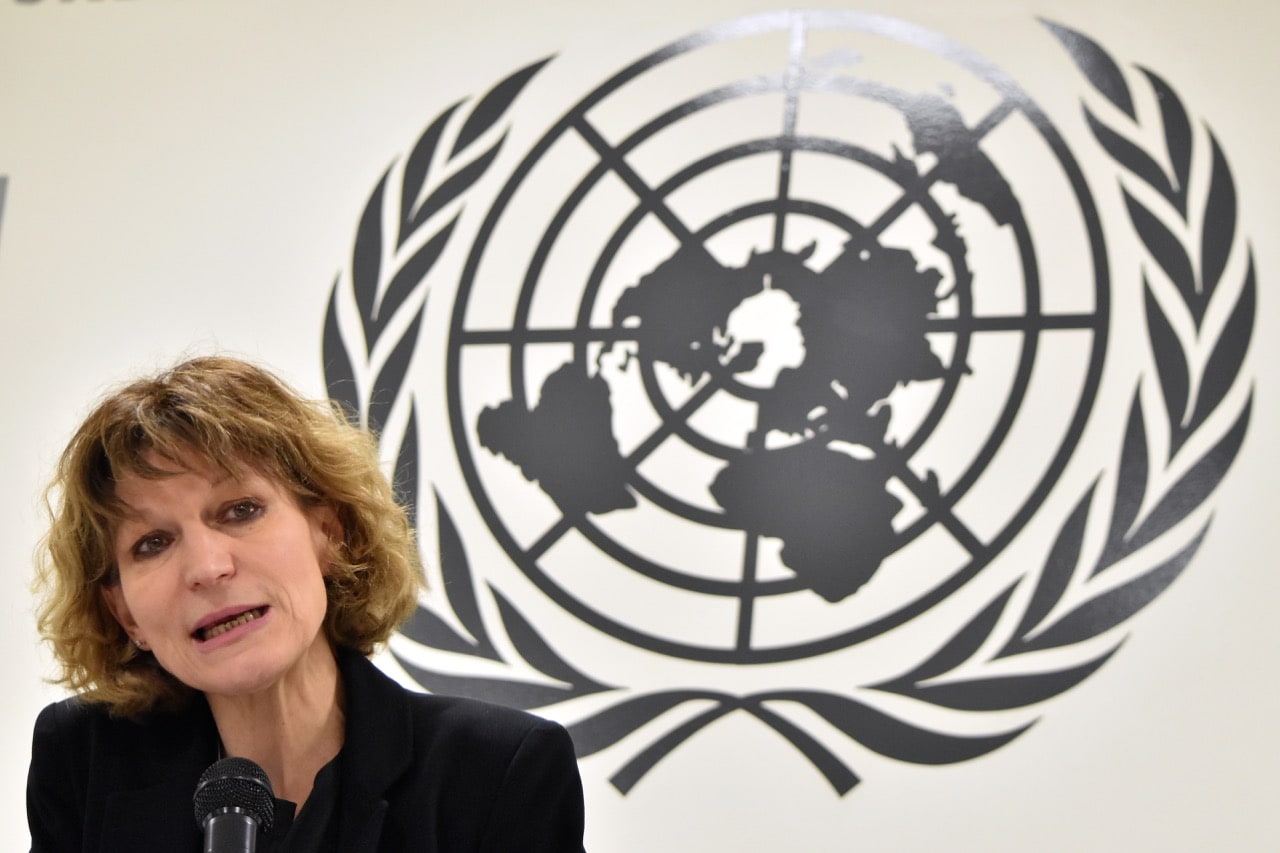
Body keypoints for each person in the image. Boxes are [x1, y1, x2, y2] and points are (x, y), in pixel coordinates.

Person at [27, 356, 587, 852]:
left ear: (329, 533)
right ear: (125, 613)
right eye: (152, 543)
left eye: (239, 510)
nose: (207, 567)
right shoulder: (85, 761)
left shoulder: (496, 772)